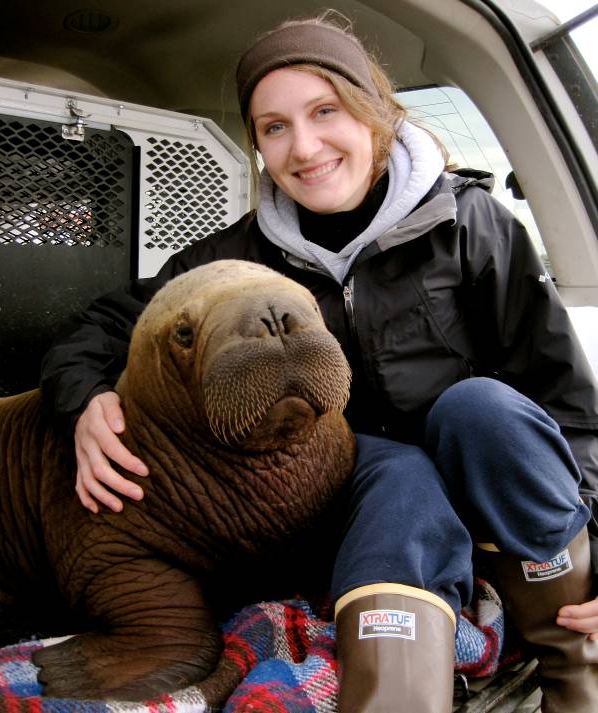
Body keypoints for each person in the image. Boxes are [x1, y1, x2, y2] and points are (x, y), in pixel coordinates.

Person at [40, 11, 598, 713]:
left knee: (479, 406)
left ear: (373, 113)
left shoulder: (474, 224)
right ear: (258, 147)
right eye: (274, 127)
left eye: (325, 111)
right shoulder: (227, 261)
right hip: (361, 503)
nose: (304, 146)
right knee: (396, 470)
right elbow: (94, 328)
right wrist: (83, 400)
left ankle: (577, 666)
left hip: (486, 489)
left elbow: (565, 398)